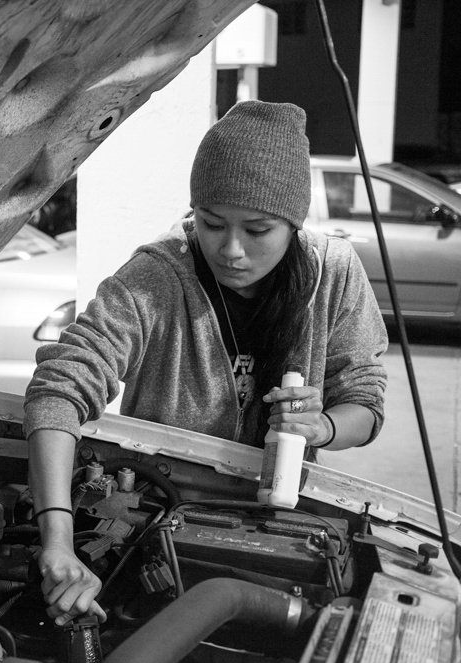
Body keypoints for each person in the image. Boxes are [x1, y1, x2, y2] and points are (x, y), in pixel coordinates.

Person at [22, 101, 388, 626]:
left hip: (284, 524)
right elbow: (60, 389)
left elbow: (366, 401)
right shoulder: (157, 277)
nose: (231, 249)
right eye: (212, 223)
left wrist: (324, 425)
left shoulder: (333, 273)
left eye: (258, 230)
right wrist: (57, 540)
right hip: (158, 519)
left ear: (294, 223)